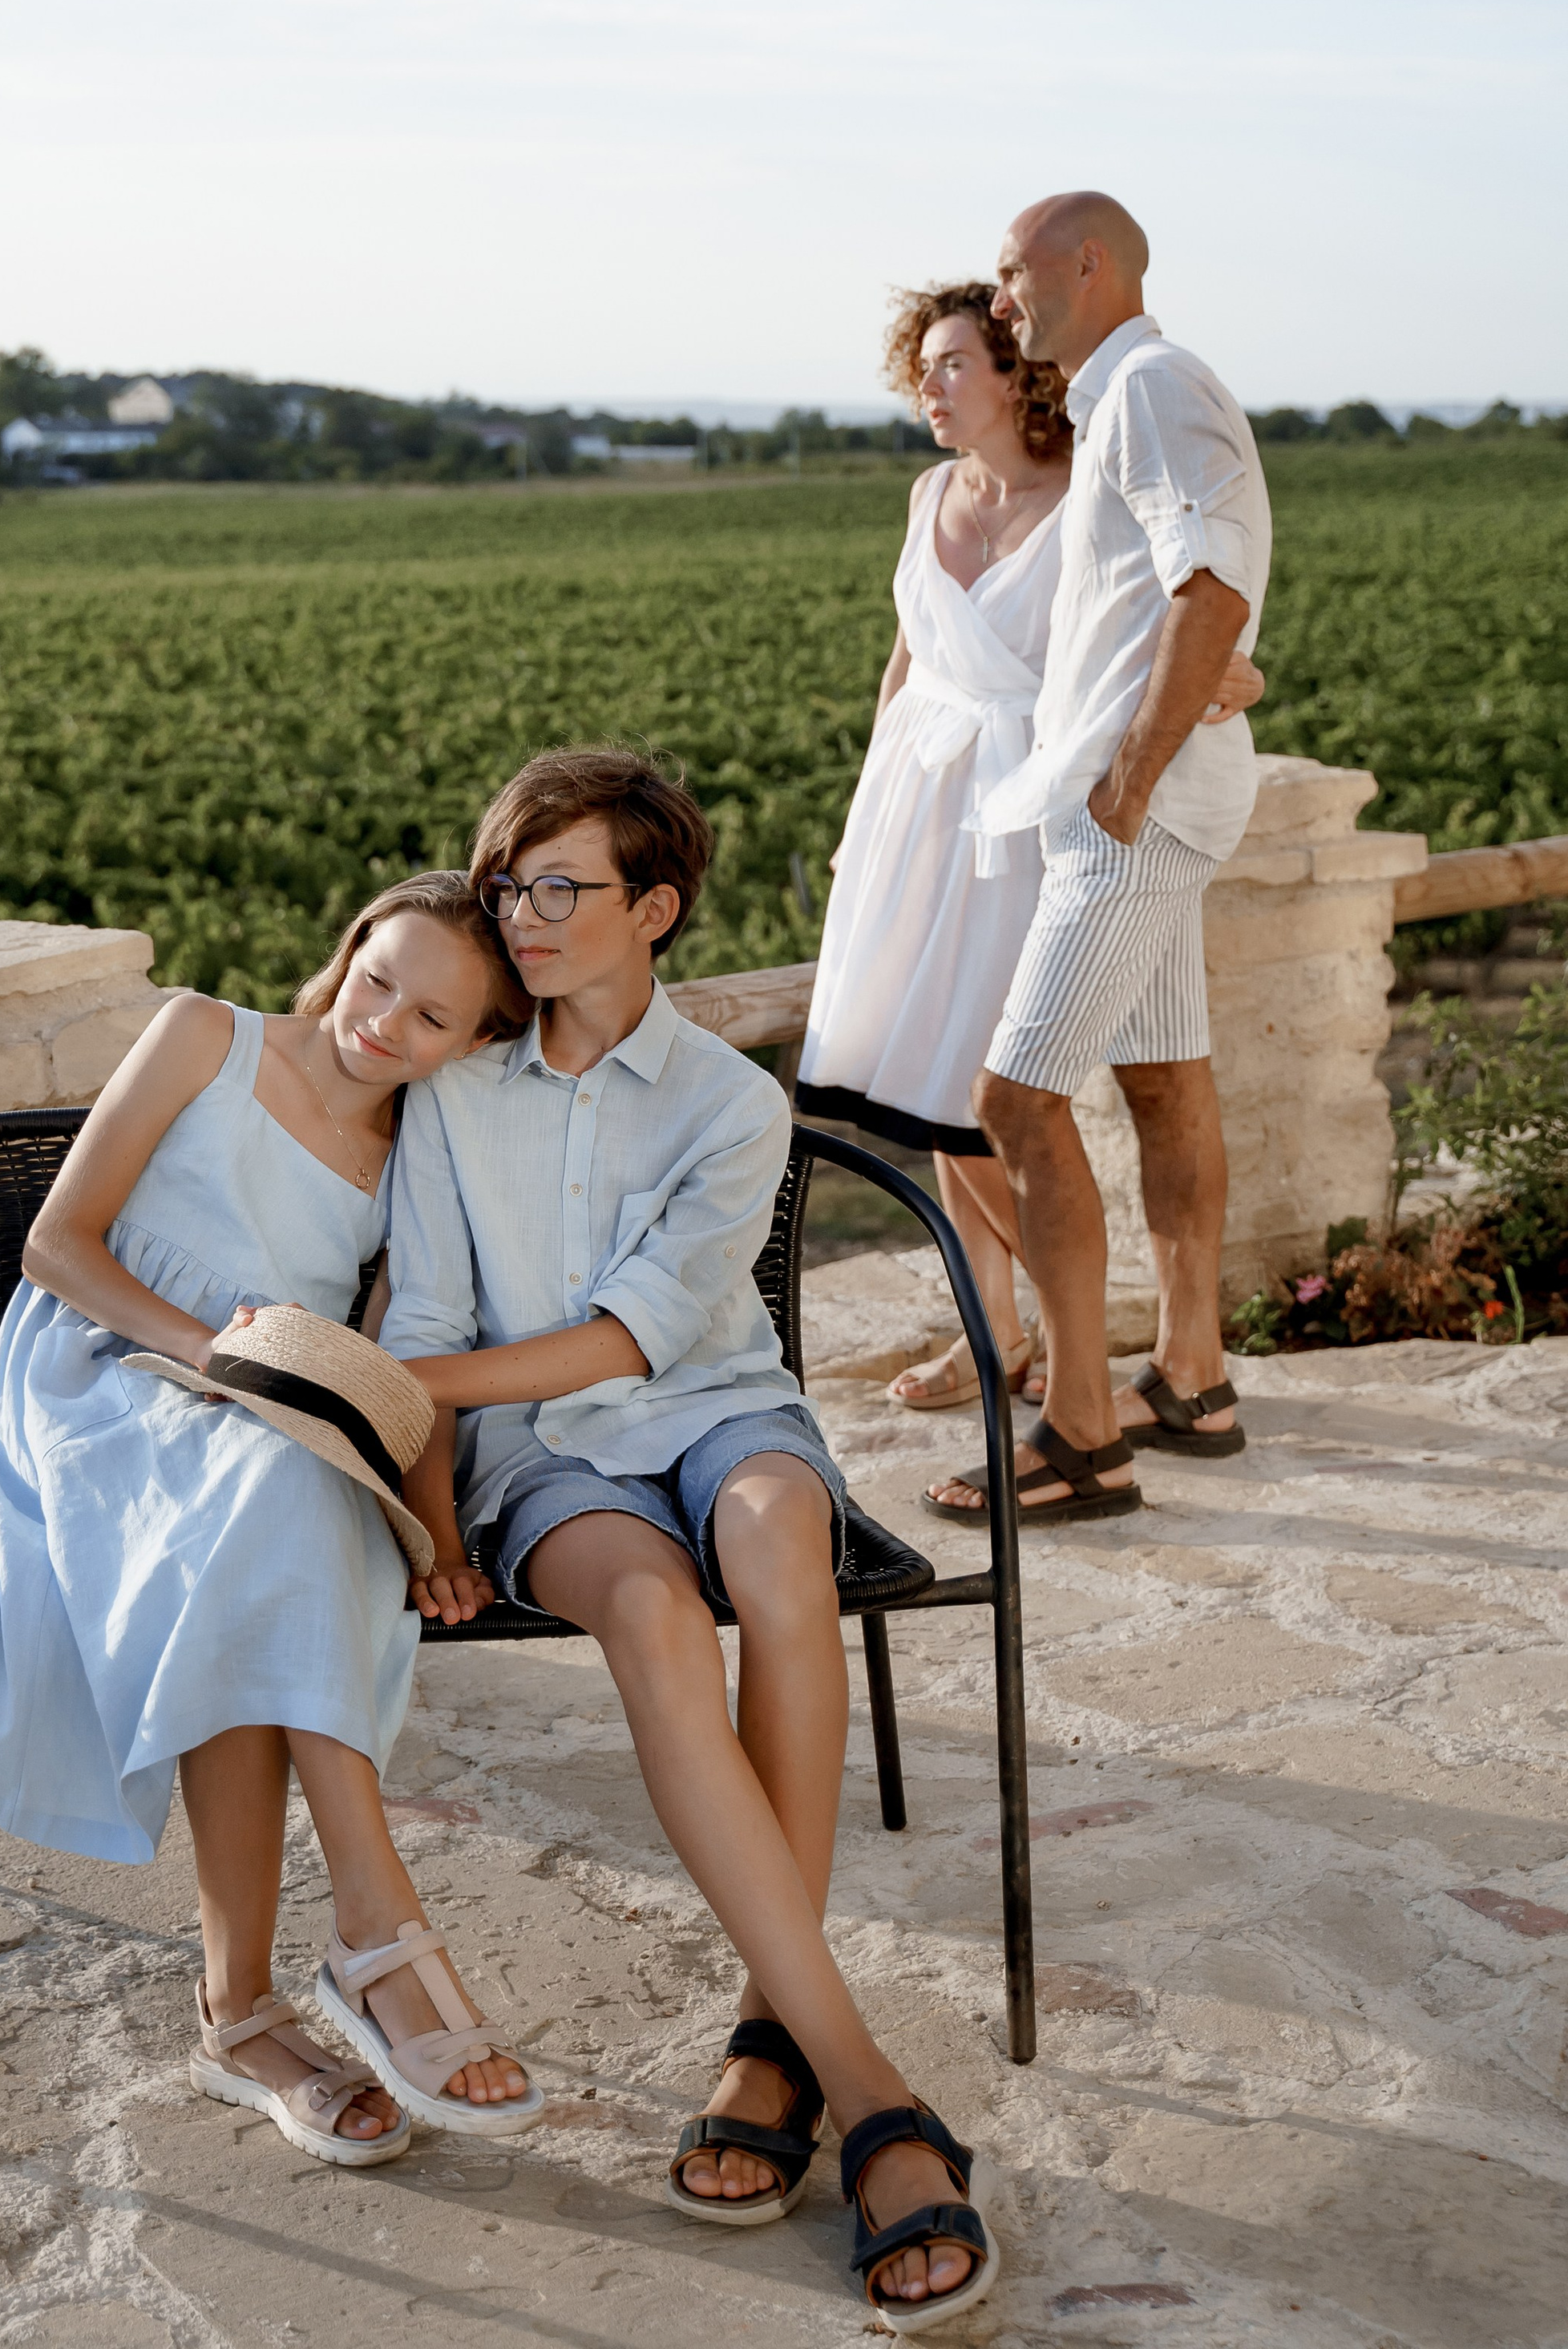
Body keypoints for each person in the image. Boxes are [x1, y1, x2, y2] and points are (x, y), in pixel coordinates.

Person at [381, 749, 999, 2331]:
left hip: (718, 1407)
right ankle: (861, 2087)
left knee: (782, 1539)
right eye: (506, 882)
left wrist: (406, 1381)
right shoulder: (451, 1095)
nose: (521, 915)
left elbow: (635, 1337)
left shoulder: (733, 1101)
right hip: (540, 1458)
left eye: (558, 884)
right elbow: (435, 1323)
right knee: (655, 1616)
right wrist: (437, 1517)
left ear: (651, 910)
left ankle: (768, 2033)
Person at [0, 874, 544, 2165]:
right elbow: (57, 1245)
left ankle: (243, 2012)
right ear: (351, 946)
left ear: (479, 1042)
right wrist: (210, 1355)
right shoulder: (205, 1033)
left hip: (275, 1417)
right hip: (99, 1372)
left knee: (269, 1514)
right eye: (378, 978)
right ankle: (368, 1928)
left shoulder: (416, 1161)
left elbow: (405, 1364)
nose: (384, 1023)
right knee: (273, 1500)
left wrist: (438, 1539)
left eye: (433, 1018)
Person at [800, 283, 1262, 1413]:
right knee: (930, 1073)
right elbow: (908, 662)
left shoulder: (1087, 488)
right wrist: (865, 820)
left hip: (1035, 798)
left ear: (1017, 377)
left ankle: (1077, 1342)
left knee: (995, 1081)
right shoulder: (928, 493)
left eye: (954, 362)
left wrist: (1232, 677)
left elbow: (1178, 620)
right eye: (922, 366)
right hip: (921, 799)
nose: (929, 386)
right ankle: (992, 1331)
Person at [924, 190, 1271, 1530]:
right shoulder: (1130, 391)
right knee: (1165, 1080)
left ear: (1087, 264)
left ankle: (1080, 1436)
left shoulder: (1146, 388)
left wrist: (1127, 778)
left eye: (1014, 274)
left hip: (1136, 811)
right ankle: (1192, 1379)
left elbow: (1211, 586)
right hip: (1148, 800)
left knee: (1012, 1102)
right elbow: (1165, 609)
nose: (1004, 299)